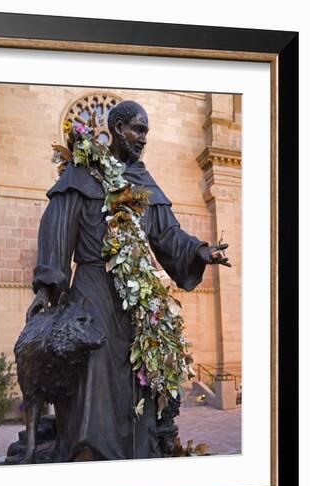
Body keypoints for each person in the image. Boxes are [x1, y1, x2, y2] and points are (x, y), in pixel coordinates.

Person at [25, 100, 230, 462]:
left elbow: (167, 234)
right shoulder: (84, 173)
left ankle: (137, 456)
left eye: (147, 132)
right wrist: (47, 286)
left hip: (135, 302)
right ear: (117, 128)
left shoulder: (144, 182)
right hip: (92, 291)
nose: (143, 139)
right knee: (94, 365)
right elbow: (57, 222)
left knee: (141, 375)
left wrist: (199, 251)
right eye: (138, 129)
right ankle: (88, 453)